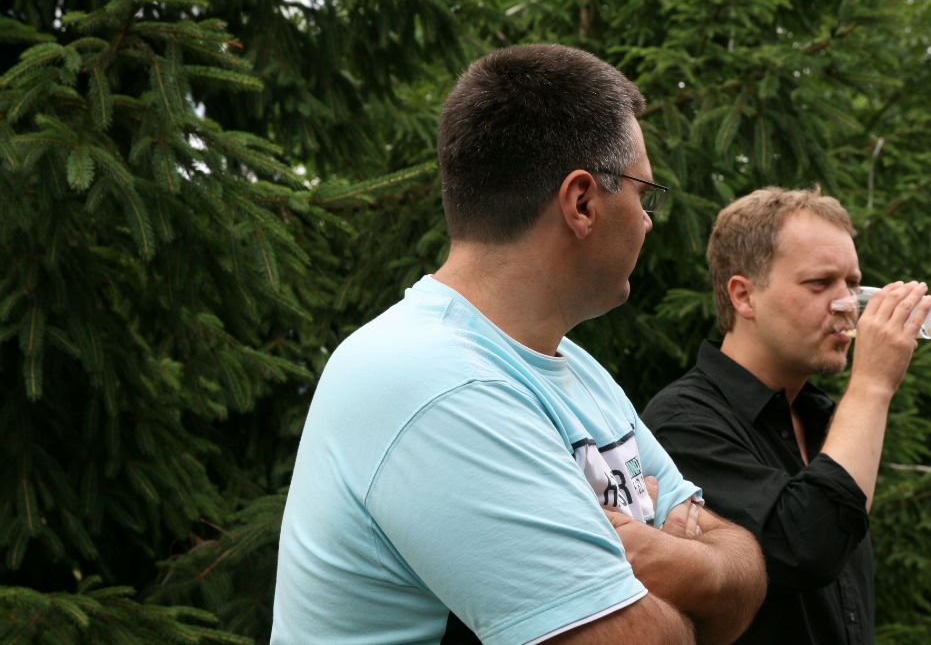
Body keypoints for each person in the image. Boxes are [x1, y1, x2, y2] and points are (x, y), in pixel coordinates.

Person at [271, 43, 765, 645]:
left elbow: (743, 573)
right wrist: (679, 564)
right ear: (582, 202)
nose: (648, 220)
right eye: (644, 193)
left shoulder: (575, 370)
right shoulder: (438, 381)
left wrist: (642, 555)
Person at [641, 186, 931, 644]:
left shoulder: (823, 419)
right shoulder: (683, 422)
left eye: (852, 284)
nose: (846, 305)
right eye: (820, 284)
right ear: (744, 296)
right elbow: (806, 549)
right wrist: (872, 385)